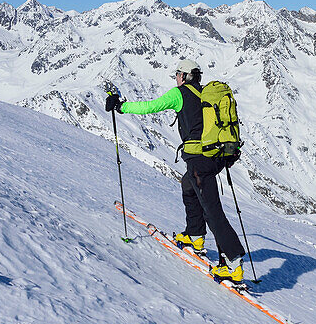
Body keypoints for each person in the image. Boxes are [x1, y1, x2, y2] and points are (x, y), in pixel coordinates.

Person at [105, 60, 246, 282]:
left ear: (184, 75)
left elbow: (149, 106)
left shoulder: (179, 94)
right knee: (189, 186)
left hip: (200, 160)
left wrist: (121, 106)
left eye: (177, 74)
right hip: (215, 157)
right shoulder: (206, 94)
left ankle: (232, 263)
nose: (176, 78)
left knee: (212, 209)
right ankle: (195, 235)